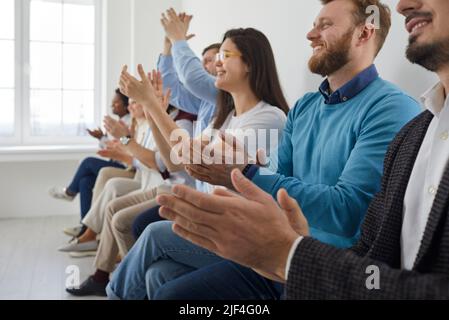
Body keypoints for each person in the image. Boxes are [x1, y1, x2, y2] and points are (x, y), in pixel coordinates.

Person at [107, 1, 422, 300]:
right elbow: (272, 176)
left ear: (364, 33)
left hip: (317, 264)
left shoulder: (390, 108)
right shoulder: (306, 106)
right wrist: (249, 172)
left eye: (324, 26)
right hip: (277, 245)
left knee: (162, 273)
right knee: (159, 274)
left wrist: (247, 173)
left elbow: (347, 211)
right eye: (313, 25)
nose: (310, 34)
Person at [107, 21, 290, 299]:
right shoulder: (226, 118)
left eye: (225, 56)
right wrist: (149, 106)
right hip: (217, 225)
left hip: (243, 237)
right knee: (158, 273)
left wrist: (153, 105)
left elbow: (197, 161)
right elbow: (175, 160)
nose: (217, 63)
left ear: (250, 64)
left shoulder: (269, 118)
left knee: (155, 234)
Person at [49, 89, 132, 237]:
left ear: (127, 106)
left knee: (88, 163)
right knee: (85, 181)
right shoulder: (119, 123)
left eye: (116, 102)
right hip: (118, 162)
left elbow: (130, 144)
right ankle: (85, 230)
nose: (112, 104)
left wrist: (121, 137)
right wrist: (102, 138)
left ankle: (70, 192)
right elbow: (115, 145)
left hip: (128, 166)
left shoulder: (131, 122)